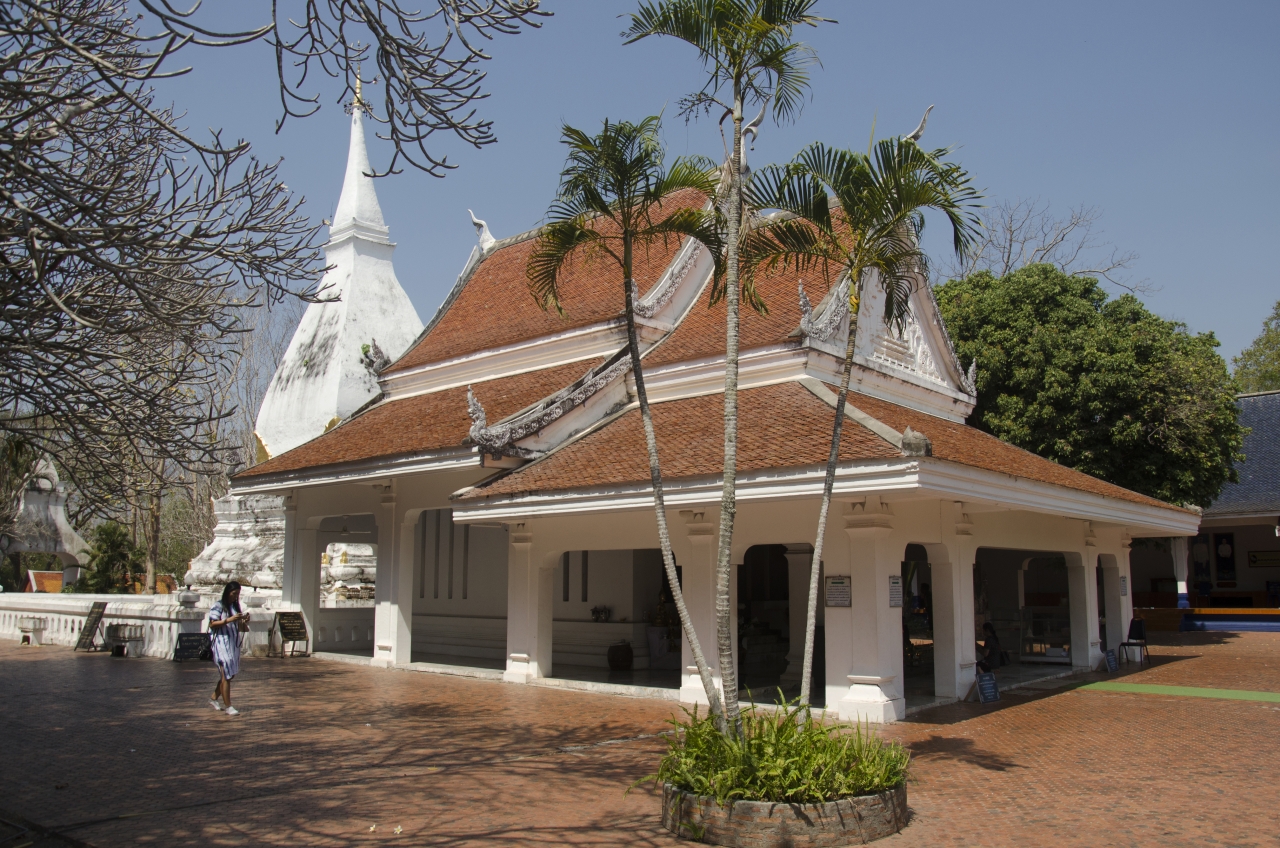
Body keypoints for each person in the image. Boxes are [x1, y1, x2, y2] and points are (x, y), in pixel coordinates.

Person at [208, 581, 249, 716]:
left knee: (230, 674)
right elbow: (212, 623)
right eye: (233, 593)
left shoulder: (235, 607)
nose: (235, 596)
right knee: (225, 673)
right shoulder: (219, 606)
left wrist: (244, 621)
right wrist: (229, 620)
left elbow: (242, 628)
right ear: (227, 592)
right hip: (221, 643)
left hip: (233, 644)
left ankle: (214, 697)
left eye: (237, 594)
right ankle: (228, 706)